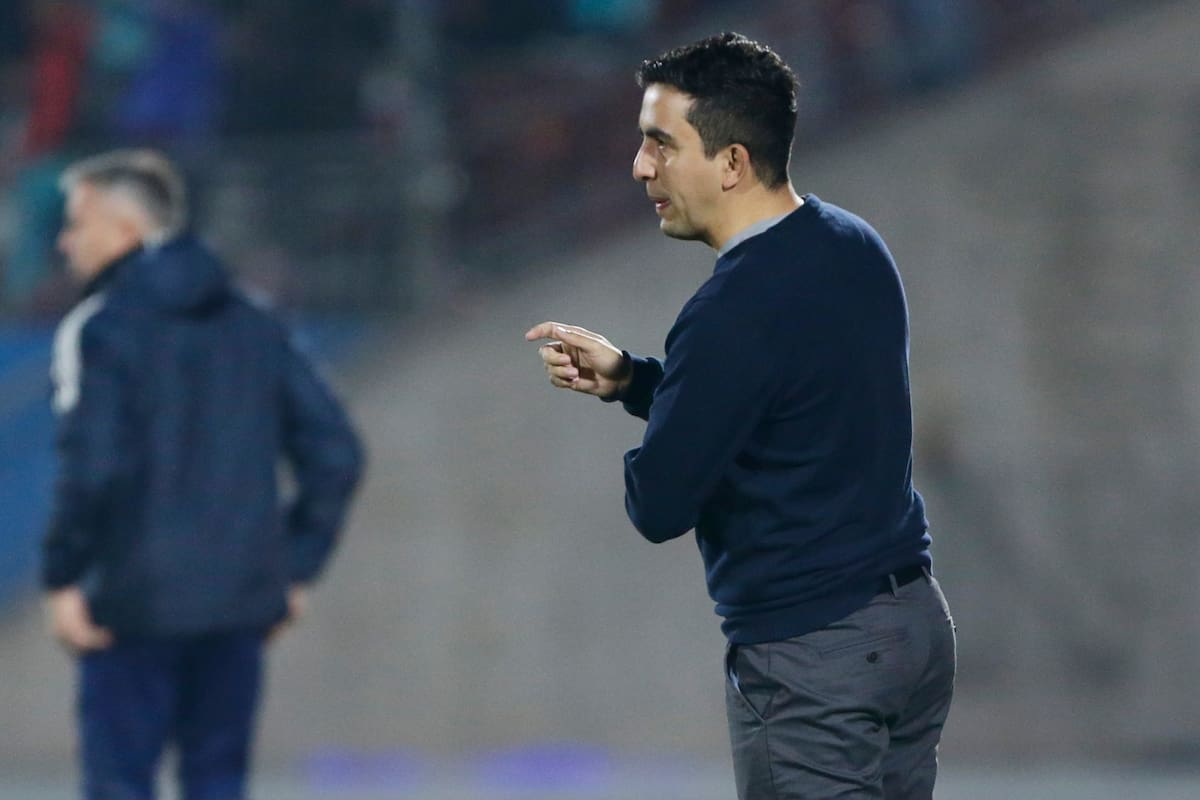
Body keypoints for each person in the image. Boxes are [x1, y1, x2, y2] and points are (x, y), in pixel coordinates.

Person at [526, 33, 955, 799]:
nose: (640, 168)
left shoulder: (731, 311)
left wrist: (665, 418)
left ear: (731, 163)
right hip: (908, 627)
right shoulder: (852, 245)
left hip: (815, 654)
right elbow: (779, 415)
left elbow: (658, 501)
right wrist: (634, 380)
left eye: (661, 144)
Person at [42, 149, 364, 800]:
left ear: (126, 233)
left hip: (129, 605)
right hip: (239, 601)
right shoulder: (256, 323)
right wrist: (295, 564)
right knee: (218, 782)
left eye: (78, 223)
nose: (64, 241)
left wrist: (62, 575)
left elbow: (95, 466)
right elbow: (335, 453)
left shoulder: (100, 329)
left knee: (119, 783)